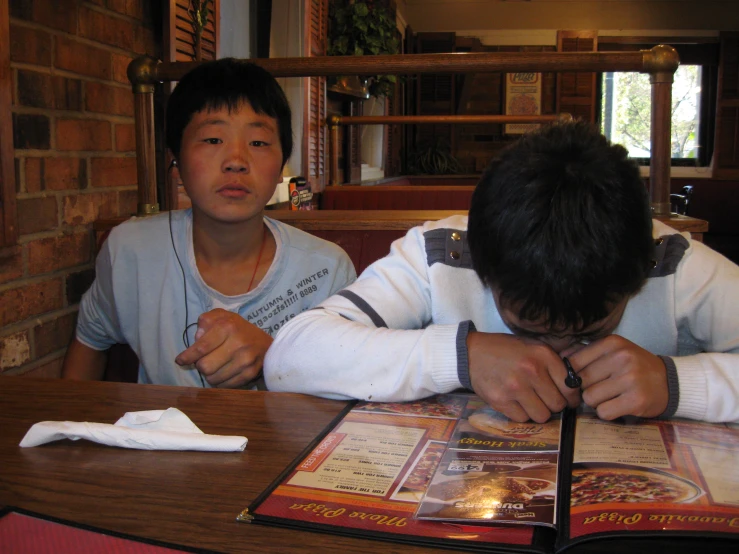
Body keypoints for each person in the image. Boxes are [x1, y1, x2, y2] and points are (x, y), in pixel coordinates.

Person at [264, 121, 739, 423]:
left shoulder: (673, 263)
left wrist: (674, 384)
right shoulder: (443, 255)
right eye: (527, 327)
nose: (557, 351)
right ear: (483, 270)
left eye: (592, 329)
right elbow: (290, 357)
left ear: (640, 274)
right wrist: (462, 357)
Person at [62, 58, 356, 388]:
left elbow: (350, 388)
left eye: (258, 143)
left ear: (282, 163)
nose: (236, 162)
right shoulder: (129, 252)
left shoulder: (326, 271)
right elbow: (89, 344)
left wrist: (275, 358)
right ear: (176, 156)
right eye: (213, 139)